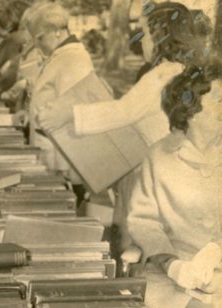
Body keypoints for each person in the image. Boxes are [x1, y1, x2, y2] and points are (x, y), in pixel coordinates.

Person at [37, 2, 207, 252]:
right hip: (161, 174)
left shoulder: (162, 74)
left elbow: (124, 112)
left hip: (152, 178)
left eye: (145, 34)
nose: (141, 41)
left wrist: (68, 113)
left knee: (137, 244)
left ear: (161, 36)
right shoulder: (179, 72)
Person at [127, 62, 222, 308]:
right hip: (173, 279)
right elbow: (142, 221)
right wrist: (174, 265)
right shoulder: (160, 156)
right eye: (220, 100)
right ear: (192, 109)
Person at [26, 1, 94, 195]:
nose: (37, 45)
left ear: (56, 30)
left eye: (39, 38)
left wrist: (66, 170)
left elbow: (74, 113)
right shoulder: (61, 56)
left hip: (63, 162)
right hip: (53, 155)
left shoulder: (73, 58)